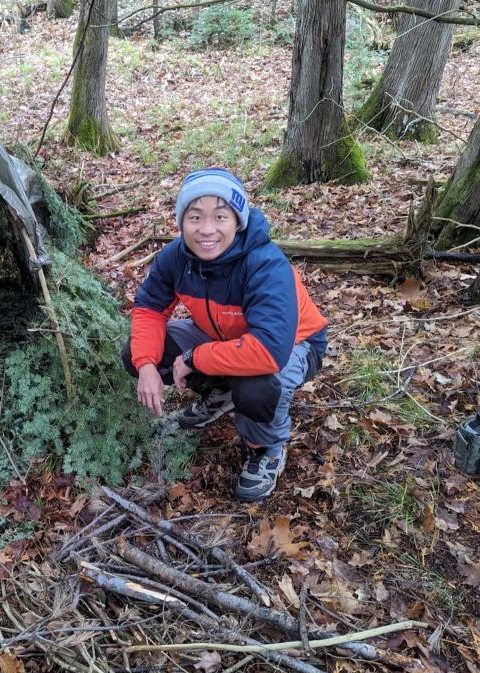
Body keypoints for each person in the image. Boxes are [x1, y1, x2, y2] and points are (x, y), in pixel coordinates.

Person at [121, 168, 327, 501]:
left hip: (297, 345)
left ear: (238, 221)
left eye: (220, 216)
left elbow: (269, 352)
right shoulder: (177, 257)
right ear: (181, 221)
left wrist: (195, 357)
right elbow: (149, 309)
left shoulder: (265, 265)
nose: (206, 230)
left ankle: (266, 447)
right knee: (138, 351)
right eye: (195, 216)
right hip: (221, 336)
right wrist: (145, 364)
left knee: (256, 384)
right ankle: (221, 395)